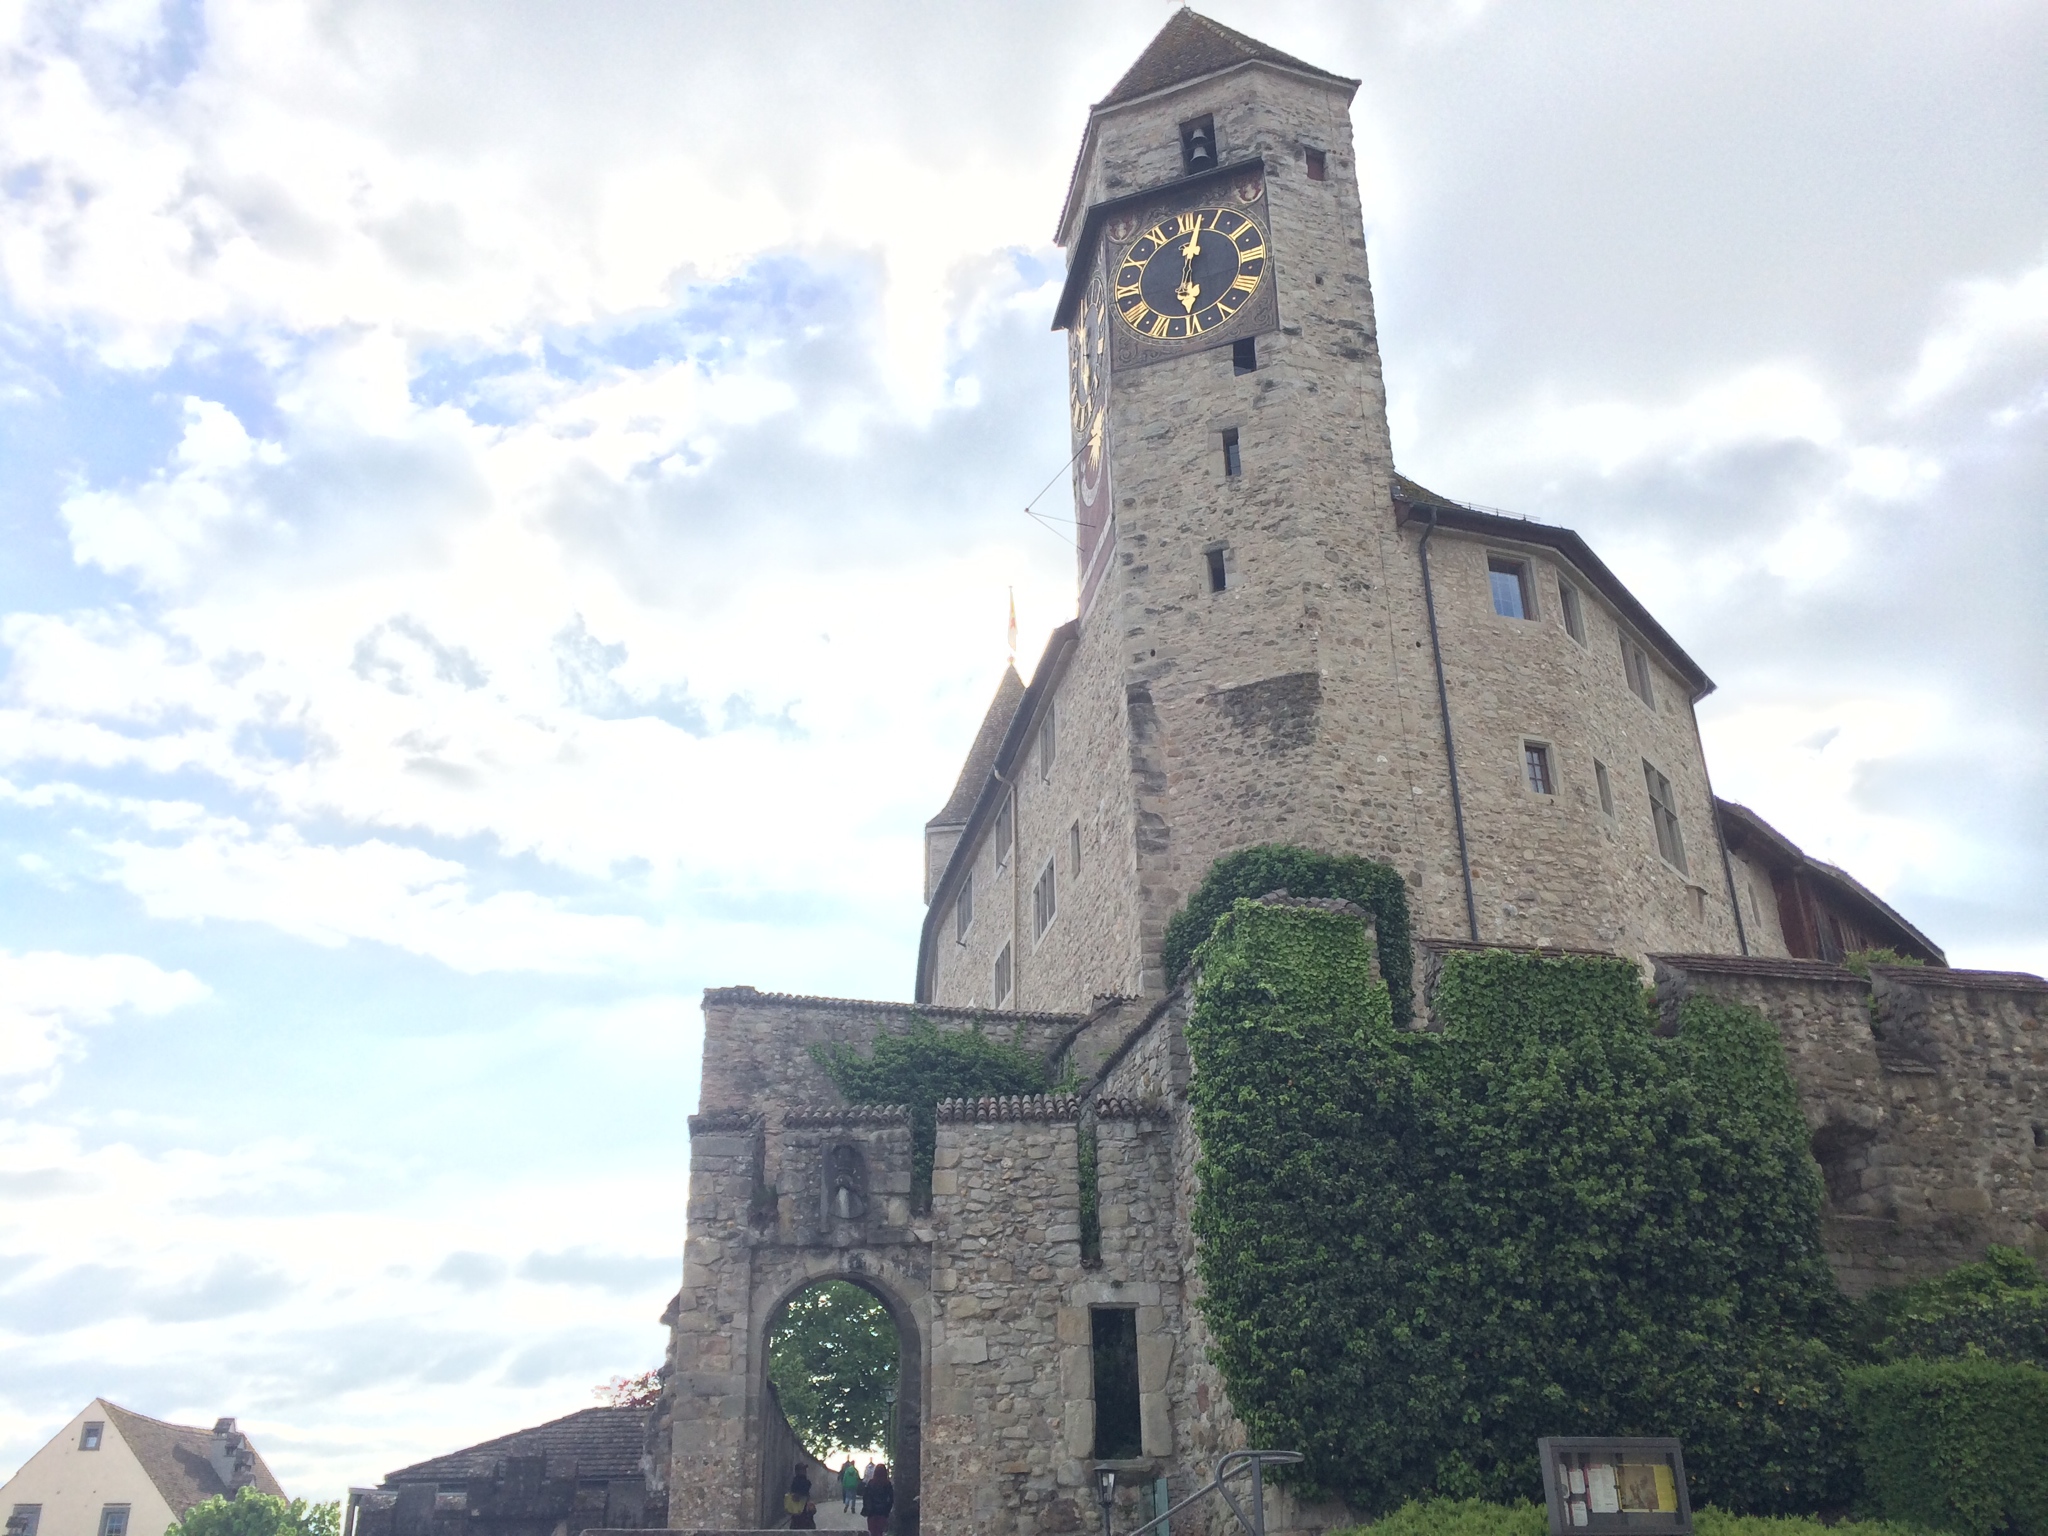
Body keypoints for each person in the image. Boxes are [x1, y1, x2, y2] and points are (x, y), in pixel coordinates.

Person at [860, 1463, 893, 1536]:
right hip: (883, 1512)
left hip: (872, 1512)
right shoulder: (887, 1484)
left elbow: (866, 1497)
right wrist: (887, 1510)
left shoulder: (871, 1483)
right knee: (880, 1532)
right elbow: (891, 1499)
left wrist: (867, 1508)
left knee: (873, 1532)